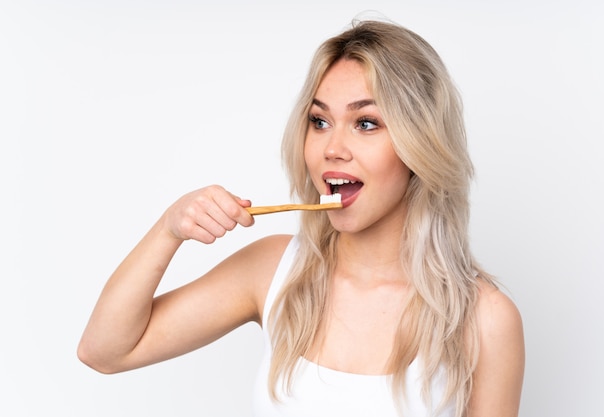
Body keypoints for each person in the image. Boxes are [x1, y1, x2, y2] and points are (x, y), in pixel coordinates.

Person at [78, 18, 524, 417]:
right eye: (319, 121)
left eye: (366, 123)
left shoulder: (484, 318)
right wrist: (169, 229)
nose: (332, 149)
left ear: (420, 143)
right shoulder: (274, 270)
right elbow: (105, 350)